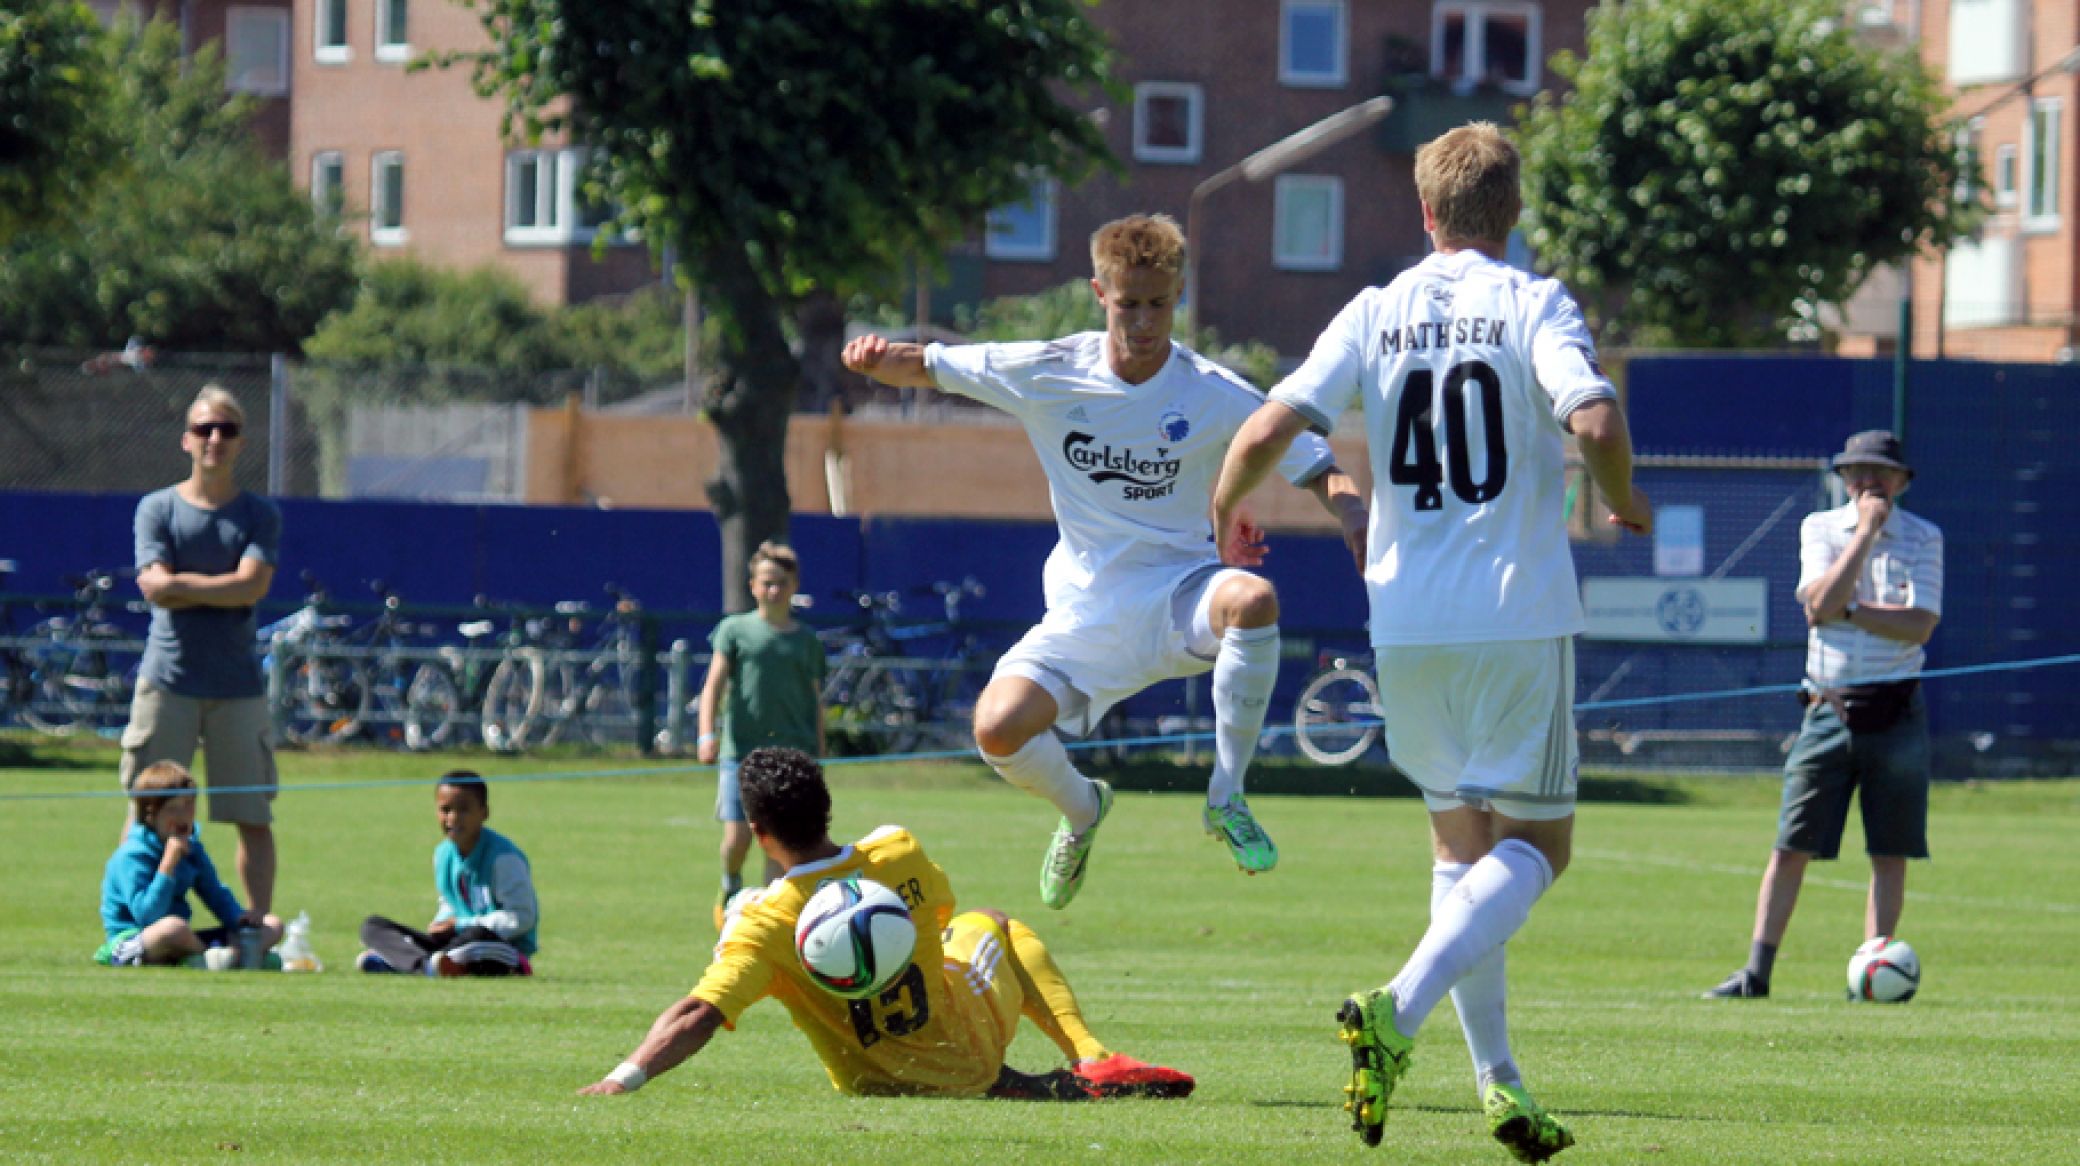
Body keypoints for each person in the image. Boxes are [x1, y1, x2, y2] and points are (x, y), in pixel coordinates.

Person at [1211, 122, 1651, 1161]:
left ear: (1424, 212)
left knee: (1462, 848)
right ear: (1512, 211)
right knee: (1539, 846)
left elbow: (1274, 422)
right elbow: (1591, 421)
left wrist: (1225, 511)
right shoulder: (1531, 300)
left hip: (1402, 620)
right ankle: (1396, 1009)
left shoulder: (1376, 308)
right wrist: (1624, 501)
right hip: (1514, 615)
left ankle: (1499, 1084)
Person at [842, 213, 1366, 908]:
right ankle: (1084, 809)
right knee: (996, 728)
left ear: (1178, 294)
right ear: (1099, 292)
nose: (1145, 322)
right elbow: (934, 366)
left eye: (1159, 304)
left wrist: (1357, 517)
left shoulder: (1212, 392)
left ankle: (1226, 796)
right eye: (1129, 305)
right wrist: (877, 357)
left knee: (1253, 600)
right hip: (1084, 612)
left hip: (1179, 594)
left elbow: (1319, 465)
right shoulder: (1052, 371)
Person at [577, 746, 1195, 1101]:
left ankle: (1061, 1077)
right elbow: (947, 912)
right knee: (996, 923)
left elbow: (699, 1014)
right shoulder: (896, 852)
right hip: (969, 1051)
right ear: (826, 807)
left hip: (874, 1085)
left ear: (761, 835)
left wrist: (622, 1077)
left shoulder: (761, 927)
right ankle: (1091, 1057)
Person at [1705, 431, 1942, 1000]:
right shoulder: (1821, 529)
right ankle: (1756, 973)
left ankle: (1873, 967)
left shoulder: (1925, 537)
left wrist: (1851, 609)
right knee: (1791, 844)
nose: (1868, 484)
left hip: (1896, 710)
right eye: (1857, 473)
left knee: (1890, 850)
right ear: (1843, 479)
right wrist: (1863, 535)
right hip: (1827, 708)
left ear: (1902, 481)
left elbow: (1920, 623)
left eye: (1880, 474)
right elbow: (1816, 606)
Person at [121, 384, 282, 924]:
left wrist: (182, 585)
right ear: (185, 439)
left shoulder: (259, 515)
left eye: (227, 430)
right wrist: (224, 584)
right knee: (143, 813)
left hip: (237, 686)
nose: (215, 439)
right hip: (167, 680)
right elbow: (154, 588)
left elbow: (251, 588)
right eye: (205, 429)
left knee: (251, 815)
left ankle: (254, 930)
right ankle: (130, 929)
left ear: (240, 443)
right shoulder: (157, 508)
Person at [697, 541, 826, 928]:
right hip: (742, 753)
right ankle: (731, 882)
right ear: (753, 585)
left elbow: (816, 700)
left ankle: (769, 918)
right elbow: (713, 686)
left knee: (780, 844)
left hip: (793, 754)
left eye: (782, 583)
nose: (774, 590)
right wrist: (706, 734)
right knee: (738, 839)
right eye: (767, 582)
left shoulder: (806, 641)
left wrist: (820, 751)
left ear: (794, 585)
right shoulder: (735, 631)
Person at [98, 761, 282, 968]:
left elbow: (215, 894)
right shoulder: (132, 855)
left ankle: (226, 956)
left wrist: (240, 919)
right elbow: (147, 917)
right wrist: (168, 864)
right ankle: (228, 957)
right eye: (173, 808)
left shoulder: (191, 847)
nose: (183, 815)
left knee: (272, 925)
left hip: (184, 939)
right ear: (150, 814)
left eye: (189, 804)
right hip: (134, 940)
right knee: (172, 929)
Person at [356, 771, 538, 977]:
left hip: (497, 944)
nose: (452, 818)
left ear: (484, 812)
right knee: (372, 926)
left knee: (475, 935)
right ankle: (427, 964)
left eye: (463, 810)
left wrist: (459, 924)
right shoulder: (442, 854)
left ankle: (404, 961)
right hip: (456, 940)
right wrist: (441, 922)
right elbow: (450, 902)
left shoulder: (503, 858)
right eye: (445, 810)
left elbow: (521, 918)